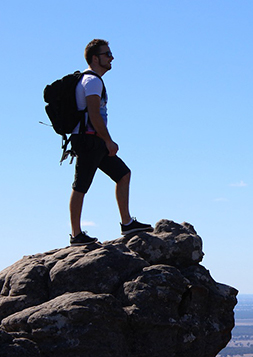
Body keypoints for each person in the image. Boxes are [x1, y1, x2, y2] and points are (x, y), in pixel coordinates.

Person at [69, 39, 152, 246]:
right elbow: (94, 114)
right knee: (81, 186)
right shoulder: (93, 81)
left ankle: (127, 223)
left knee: (123, 174)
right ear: (95, 58)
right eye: (107, 54)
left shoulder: (91, 80)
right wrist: (108, 141)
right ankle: (76, 235)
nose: (111, 57)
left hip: (92, 139)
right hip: (90, 140)